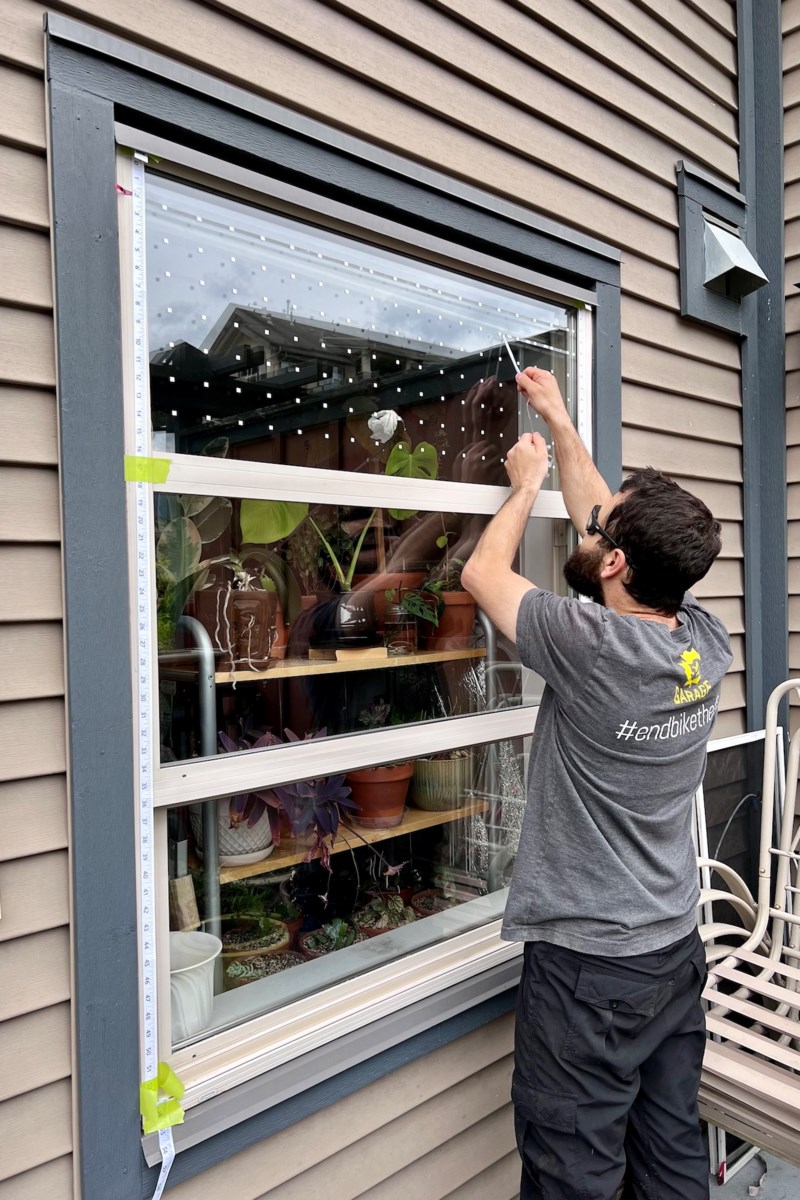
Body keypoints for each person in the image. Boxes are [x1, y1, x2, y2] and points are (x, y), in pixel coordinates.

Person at [461, 367, 732, 1200]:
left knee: (572, 1176)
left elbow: (481, 577)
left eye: (602, 533)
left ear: (614, 564)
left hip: (588, 975)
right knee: (671, 1155)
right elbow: (600, 516)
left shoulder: (589, 646)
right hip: (670, 953)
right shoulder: (701, 640)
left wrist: (523, 485)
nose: (593, 521)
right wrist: (558, 416)